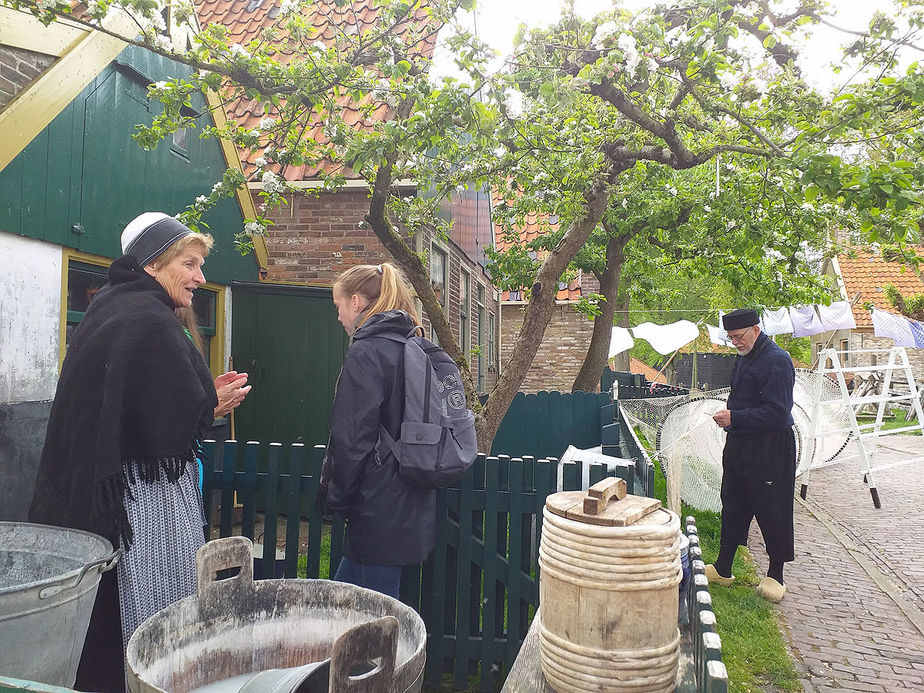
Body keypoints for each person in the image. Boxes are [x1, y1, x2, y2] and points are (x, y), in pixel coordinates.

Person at [29, 212, 221, 691]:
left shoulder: (110, 308)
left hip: (92, 493)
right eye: (190, 263)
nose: (200, 277)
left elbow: (129, 403)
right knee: (155, 604)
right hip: (140, 501)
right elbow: (170, 424)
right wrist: (212, 402)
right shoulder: (148, 318)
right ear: (153, 265)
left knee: (101, 620)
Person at [322, 262, 436, 600]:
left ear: (356, 302)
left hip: (376, 507)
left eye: (338, 306)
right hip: (410, 496)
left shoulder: (367, 350)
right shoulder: (411, 343)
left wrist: (337, 497)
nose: (339, 316)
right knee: (345, 603)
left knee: (378, 619)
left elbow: (351, 438)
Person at [708, 308, 796, 604]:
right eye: (730, 337)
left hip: (771, 447)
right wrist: (733, 418)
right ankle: (723, 567)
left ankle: (776, 576)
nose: (734, 342)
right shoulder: (745, 357)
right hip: (741, 442)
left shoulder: (777, 362)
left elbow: (778, 412)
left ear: (755, 330)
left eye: (738, 336)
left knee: (772, 507)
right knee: (733, 500)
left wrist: (735, 417)